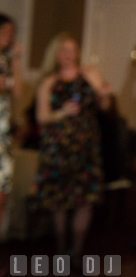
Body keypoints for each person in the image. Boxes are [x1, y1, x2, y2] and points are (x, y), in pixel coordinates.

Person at [33, 33, 111, 261]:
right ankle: (61, 248)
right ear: (56, 55)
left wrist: (103, 92)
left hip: (86, 146)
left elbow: (105, 107)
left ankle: (76, 251)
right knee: (58, 200)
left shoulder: (89, 75)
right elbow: (41, 117)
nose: (68, 55)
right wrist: (62, 112)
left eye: (72, 50)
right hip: (58, 149)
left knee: (84, 199)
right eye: (63, 50)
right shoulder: (48, 82)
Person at [0, 15, 23, 257]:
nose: (9, 37)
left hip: (2, 138)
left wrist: (16, 59)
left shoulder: (6, 60)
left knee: (2, 195)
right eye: (6, 31)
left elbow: (17, 90)